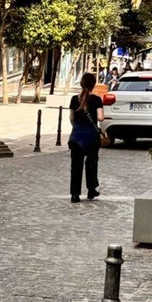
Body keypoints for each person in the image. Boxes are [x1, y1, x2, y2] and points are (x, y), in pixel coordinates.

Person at [67, 71, 105, 204]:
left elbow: (71, 118)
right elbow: (100, 117)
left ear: (81, 84)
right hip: (91, 137)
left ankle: (75, 194)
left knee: (75, 166)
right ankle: (91, 190)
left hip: (76, 137)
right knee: (91, 164)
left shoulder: (74, 99)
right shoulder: (96, 100)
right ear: (93, 85)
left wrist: (77, 127)